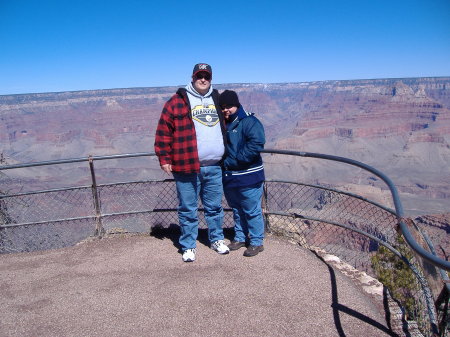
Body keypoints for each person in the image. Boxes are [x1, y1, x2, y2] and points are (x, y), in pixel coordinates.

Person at [154, 63, 230, 262]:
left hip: (214, 166)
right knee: (188, 209)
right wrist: (164, 158)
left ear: (211, 78)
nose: (203, 79)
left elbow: (232, 118)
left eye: (206, 76)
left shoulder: (217, 99)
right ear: (192, 77)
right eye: (199, 76)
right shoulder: (176, 101)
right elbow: (163, 132)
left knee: (214, 207)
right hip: (186, 165)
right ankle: (188, 246)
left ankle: (216, 239)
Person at [219, 90, 266, 257]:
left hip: (249, 175)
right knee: (237, 209)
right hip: (230, 177)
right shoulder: (223, 123)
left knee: (251, 210)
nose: (226, 110)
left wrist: (235, 161)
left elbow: (256, 144)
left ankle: (256, 242)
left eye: (229, 106)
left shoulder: (249, 121)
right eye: (223, 107)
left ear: (237, 105)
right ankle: (239, 237)